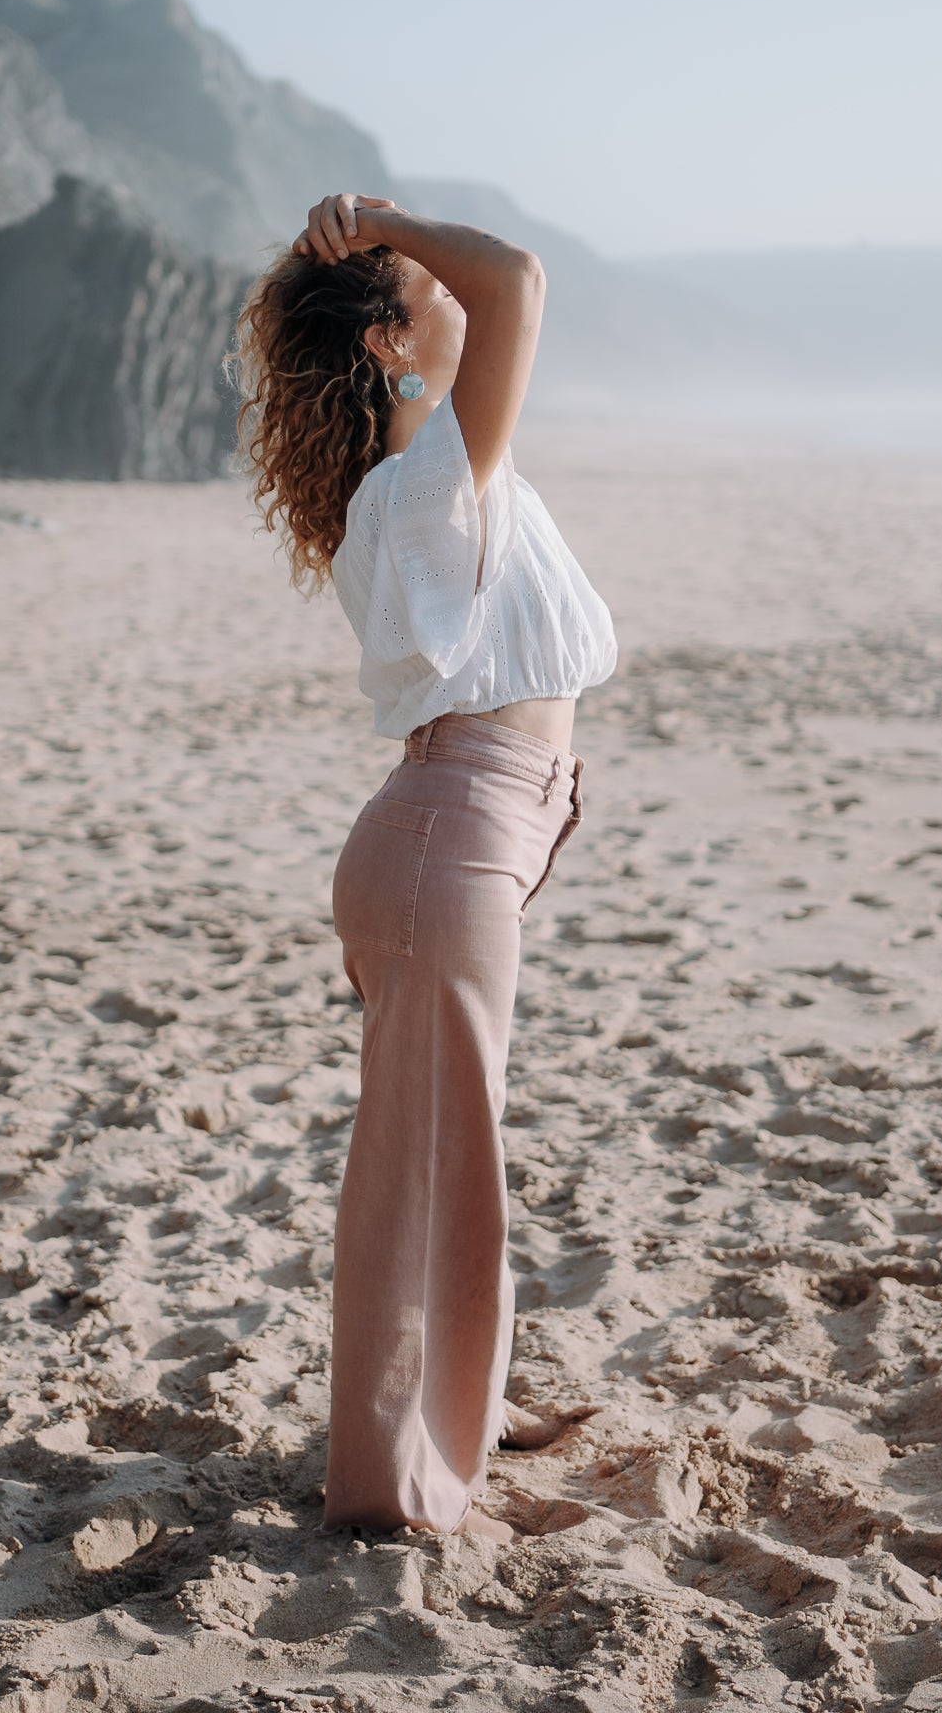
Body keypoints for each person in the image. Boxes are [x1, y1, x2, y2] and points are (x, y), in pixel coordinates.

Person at [230, 191, 617, 1540]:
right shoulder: (429, 477)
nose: (450, 297)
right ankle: (392, 1480)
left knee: (444, 1151)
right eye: (420, 288)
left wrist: (355, 246)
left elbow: (474, 291)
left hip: (452, 844)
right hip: (446, 844)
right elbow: (513, 275)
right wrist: (379, 217)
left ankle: (464, 1394)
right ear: (391, 341)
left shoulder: (418, 482)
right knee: (427, 1168)